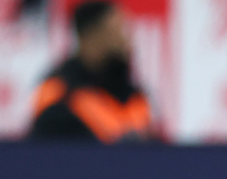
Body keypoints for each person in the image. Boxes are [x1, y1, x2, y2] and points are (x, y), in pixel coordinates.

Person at [28, 0, 154, 142]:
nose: (126, 41)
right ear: (90, 37)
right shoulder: (57, 91)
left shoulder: (134, 96)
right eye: (117, 31)